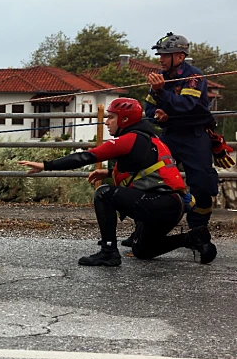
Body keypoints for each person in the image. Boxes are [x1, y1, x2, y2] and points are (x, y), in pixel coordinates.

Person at [19, 97, 215, 267]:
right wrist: (108, 172)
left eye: (111, 117)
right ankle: (192, 238)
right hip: (172, 205)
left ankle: (108, 252)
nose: (106, 122)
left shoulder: (128, 139)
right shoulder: (151, 138)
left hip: (159, 203)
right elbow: (145, 169)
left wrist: (45, 165)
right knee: (142, 250)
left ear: (125, 119)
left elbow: (86, 157)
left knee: (104, 193)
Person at [140, 32, 231, 260]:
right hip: (170, 136)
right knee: (150, 178)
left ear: (179, 56)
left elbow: (187, 106)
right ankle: (142, 232)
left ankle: (197, 232)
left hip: (195, 137)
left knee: (202, 185)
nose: (160, 59)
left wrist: (163, 95)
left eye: (165, 55)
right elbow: (149, 108)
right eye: (159, 54)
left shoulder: (194, 78)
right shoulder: (159, 79)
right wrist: (157, 114)